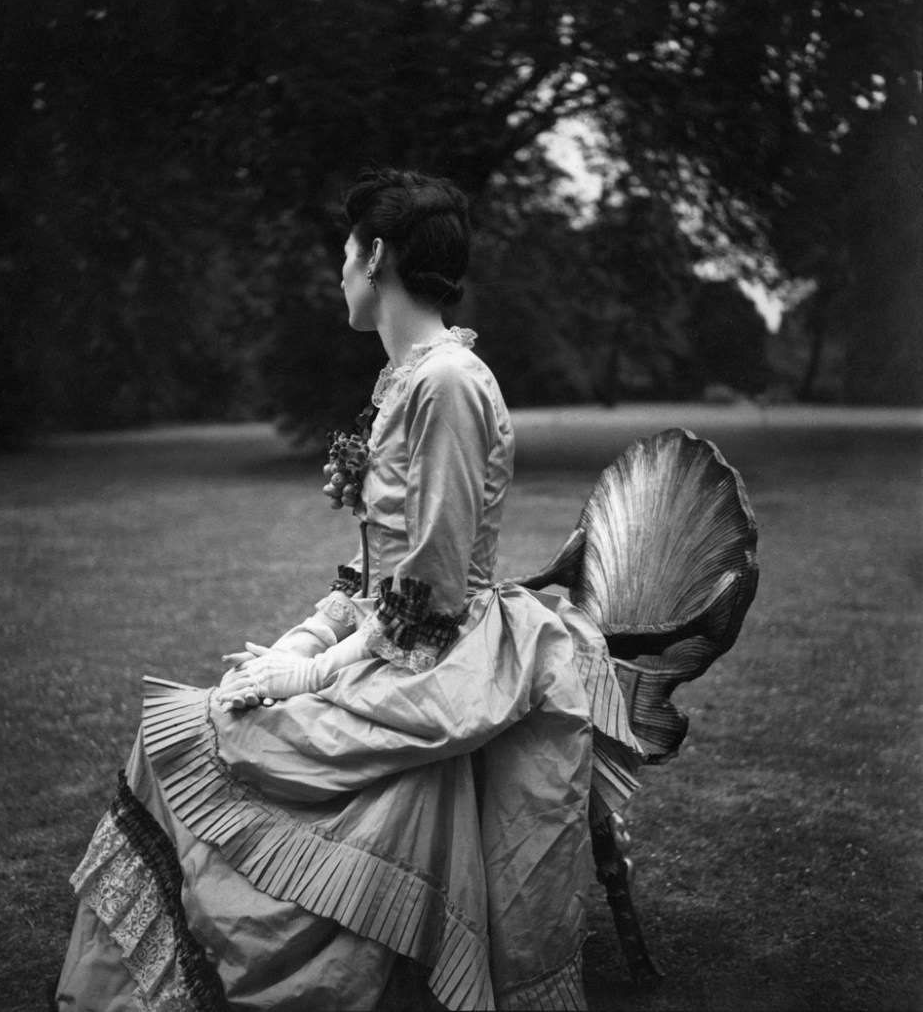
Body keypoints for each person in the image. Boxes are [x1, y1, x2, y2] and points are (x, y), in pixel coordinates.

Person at [55, 168, 643, 1011]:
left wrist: (312, 672)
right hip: (400, 638)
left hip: (437, 657)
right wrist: (303, 638)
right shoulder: (410, 378)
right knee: (216, 718)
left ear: (374, 255)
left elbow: (432, 586)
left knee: (206, 734)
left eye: (344, 252)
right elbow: (382, 569)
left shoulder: (446, 383)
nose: (338, 271)